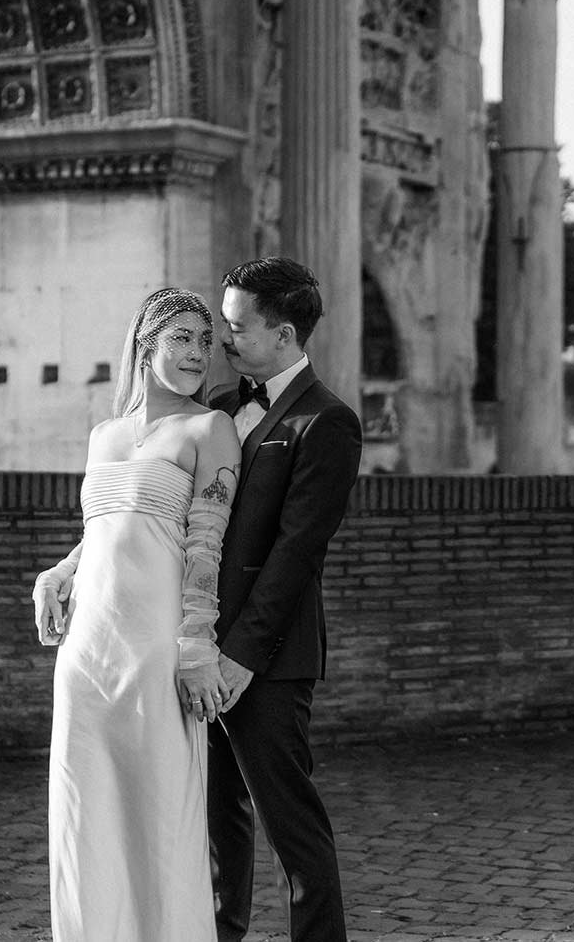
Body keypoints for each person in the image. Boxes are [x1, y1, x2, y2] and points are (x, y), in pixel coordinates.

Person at [31, 287, 242, 942]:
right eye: (183, 337)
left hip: (156, 650)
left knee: (161, 820)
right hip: (87, 653)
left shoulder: (210, 429)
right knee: (83, 818)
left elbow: (205, 549)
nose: (198, 354)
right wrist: (59, 570)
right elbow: (106, 526)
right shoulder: (105, 434)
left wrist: (196, 649)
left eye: (206, 342)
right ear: (146, 342)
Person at [206, 256, 363, 942]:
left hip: (267, 659)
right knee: (217, 826)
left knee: (292, 831)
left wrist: (242, 655)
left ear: (287, 334)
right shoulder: (216, 409)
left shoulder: (328, 422)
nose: (224, 338)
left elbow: (297, 552)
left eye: (238, 326)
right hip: (196, 648)